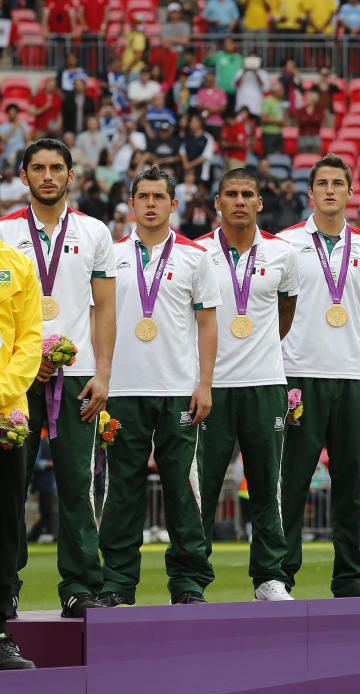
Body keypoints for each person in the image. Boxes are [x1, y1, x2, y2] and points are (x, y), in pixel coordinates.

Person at [0, 140, 114, 618]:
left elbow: (105, 308)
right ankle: (5, 588)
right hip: (13, 380)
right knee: (8, 490)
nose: (48, 176)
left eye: (57, 168)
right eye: (38, 168)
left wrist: (104, 372)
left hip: (79, 377)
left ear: (72, 175)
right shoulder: (3, 231)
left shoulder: (94, 232)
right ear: (23, 176)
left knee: (77, 483)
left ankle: (80, 586)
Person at [98, 166, 220, 607]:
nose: (151, 203)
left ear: (174, 203)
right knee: (121, 488)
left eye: (159, 197)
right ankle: (116, 581)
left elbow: (208, 325)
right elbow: (98, 319)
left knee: (183, 488)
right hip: (123, 389)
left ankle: (188, 582)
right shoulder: (108, 255)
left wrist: (205, 383)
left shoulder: (194, 257)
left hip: (178, 389)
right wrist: (102, 376)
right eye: (143, 196)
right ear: (131, 203)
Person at [277, 155, 360, 598]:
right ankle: (277, 576)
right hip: (298, 375)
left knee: (354, 483)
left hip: (352, 378)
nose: (329, 190)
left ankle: (352, 577)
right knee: (292, 480)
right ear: (311, 193)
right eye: (321, 183)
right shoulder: (285, 244)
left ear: (349, 192)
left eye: (337, 184)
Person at [194, 169, 299, 602]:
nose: (239, 201)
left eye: (247, 194)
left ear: (259, 202)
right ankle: (191, 579)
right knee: (202, 485)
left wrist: (259, 347)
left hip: (264, 383)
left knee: (266, 485)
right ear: (217, 202)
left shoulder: (282, 252)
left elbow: (286, 311)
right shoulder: (196, 253)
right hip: (211, 386)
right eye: (231, 194)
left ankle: (269, 577)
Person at [0, 207, 40, 665]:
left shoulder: (18, 264)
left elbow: (31, 340)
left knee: (5, 527)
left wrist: (5, 391)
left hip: (8, 417)